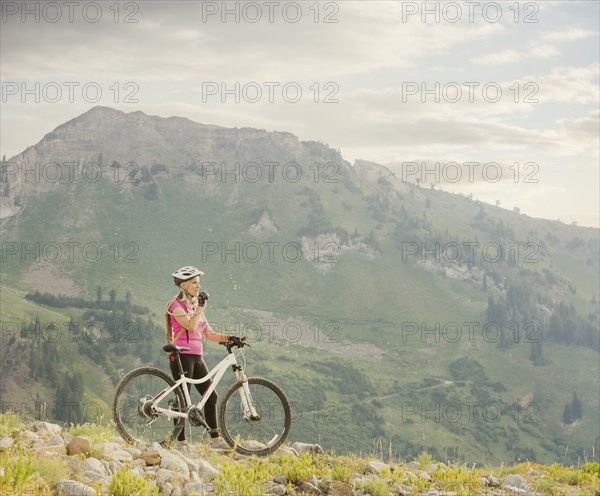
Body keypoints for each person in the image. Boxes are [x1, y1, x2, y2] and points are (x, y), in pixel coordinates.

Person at [166, 265, 230, 450]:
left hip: (197, 356)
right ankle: (181, 442)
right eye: (194, 283)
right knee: (182, 399)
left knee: (211, 396)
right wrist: (201, 307)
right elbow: (191, 326)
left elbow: (209, 333)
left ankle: (215, 441)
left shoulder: (195, 306)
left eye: (199, 283)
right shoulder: (175, 305)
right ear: (183, 285)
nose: (198, 286)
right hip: (182, 355)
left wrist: (230, 338)